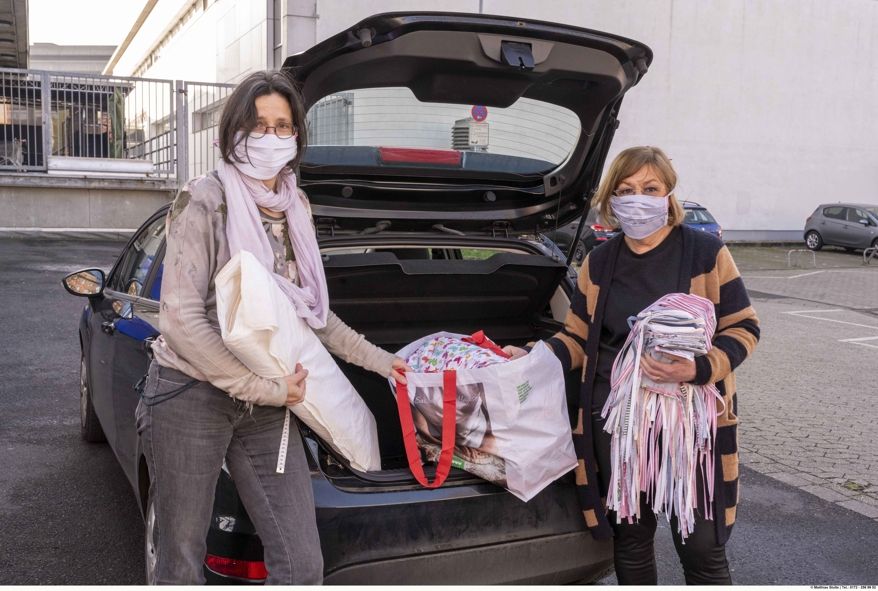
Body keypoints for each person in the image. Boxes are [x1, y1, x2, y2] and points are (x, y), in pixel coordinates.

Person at [136, 70, 411, 585]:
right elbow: (181, 319)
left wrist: (384, 362)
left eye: (283, 126)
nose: (271, 136)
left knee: (301, 562)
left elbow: (311, 315)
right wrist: (265, 388)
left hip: (268, 399)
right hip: (192, 393)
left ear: (297, 138)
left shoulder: (295, 207)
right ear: (233, 131)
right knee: (179, 562)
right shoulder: (204, 200)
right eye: (258, 124)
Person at [503, 146, 760, 585]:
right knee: (632, 538)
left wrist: (699, 368)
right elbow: (577, 338)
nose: (637, 198)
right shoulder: (601, 262)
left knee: (702, 543)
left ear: (668, 194)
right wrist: (534, 357)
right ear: (611, 200)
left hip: (689, 423)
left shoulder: (705, 253)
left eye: (649, 188)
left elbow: (744, 328)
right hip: (618, 424)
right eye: (625, 190)